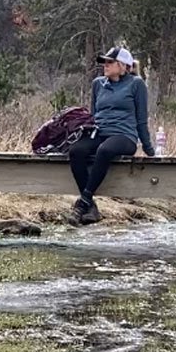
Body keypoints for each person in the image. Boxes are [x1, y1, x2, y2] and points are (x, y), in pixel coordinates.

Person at [68, 46, 156, 224]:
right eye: (104, 62)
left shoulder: (136, 84)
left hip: (124, 136)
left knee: (104, 150)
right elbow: (93, 114)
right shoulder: (98, 84)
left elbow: (141, 119)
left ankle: (83, 201)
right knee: (76, 151)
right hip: (99, 132)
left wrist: (148, 148)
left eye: (110, 62)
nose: (105, 66)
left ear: (124, 66)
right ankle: (90, 205)